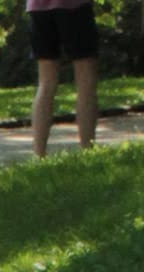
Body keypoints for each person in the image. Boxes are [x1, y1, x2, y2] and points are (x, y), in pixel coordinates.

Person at [27, 0, 98, 157]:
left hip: (38, 8)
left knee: (46, 83)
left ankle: (39, 154)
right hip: (75, 7)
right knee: (86, 81)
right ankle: (88, 150)